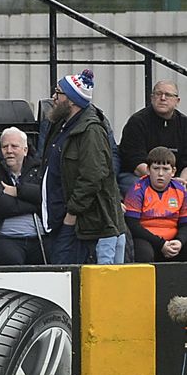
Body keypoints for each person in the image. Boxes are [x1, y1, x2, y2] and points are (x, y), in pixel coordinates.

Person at [42, 70, 125, 265]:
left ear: (71, 100)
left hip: (81, 224)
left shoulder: (91, 131)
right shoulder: (60, 125)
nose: (53, 97)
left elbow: (92, 177)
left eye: (58, 92)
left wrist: (72, 213)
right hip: (60, 219)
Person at [0, 127, 45, 266]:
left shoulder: (39, 170)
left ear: (25, 150)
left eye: (14, 146)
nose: (9, 151)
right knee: (9, 258)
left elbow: (47, 195)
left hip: (40, 238)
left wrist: (17, 191)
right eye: (5, 146)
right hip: (5, 239)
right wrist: (33, 204)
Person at [118, 80, 187, 195]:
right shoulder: (137, 122)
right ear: (152, 98)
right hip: (140, 175)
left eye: (168, 95)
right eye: (158, 94)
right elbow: (135, 162)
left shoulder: (184, 124)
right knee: (137, 189)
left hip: (176, 177)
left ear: (177, 101)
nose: (163, 98)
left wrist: (183, 182)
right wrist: (164, 182)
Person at [124, 146, 187, 263]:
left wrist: (179, 241)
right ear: (148, 170)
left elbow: (185, 224)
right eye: (156, 168)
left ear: (173, 172)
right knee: (144, 252)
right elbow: (132, 225)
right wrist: (161, 244)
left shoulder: (181, 191)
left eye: (165, 169)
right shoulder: (137, 189)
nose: (160, 174)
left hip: (173, 240)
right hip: (146, 239)